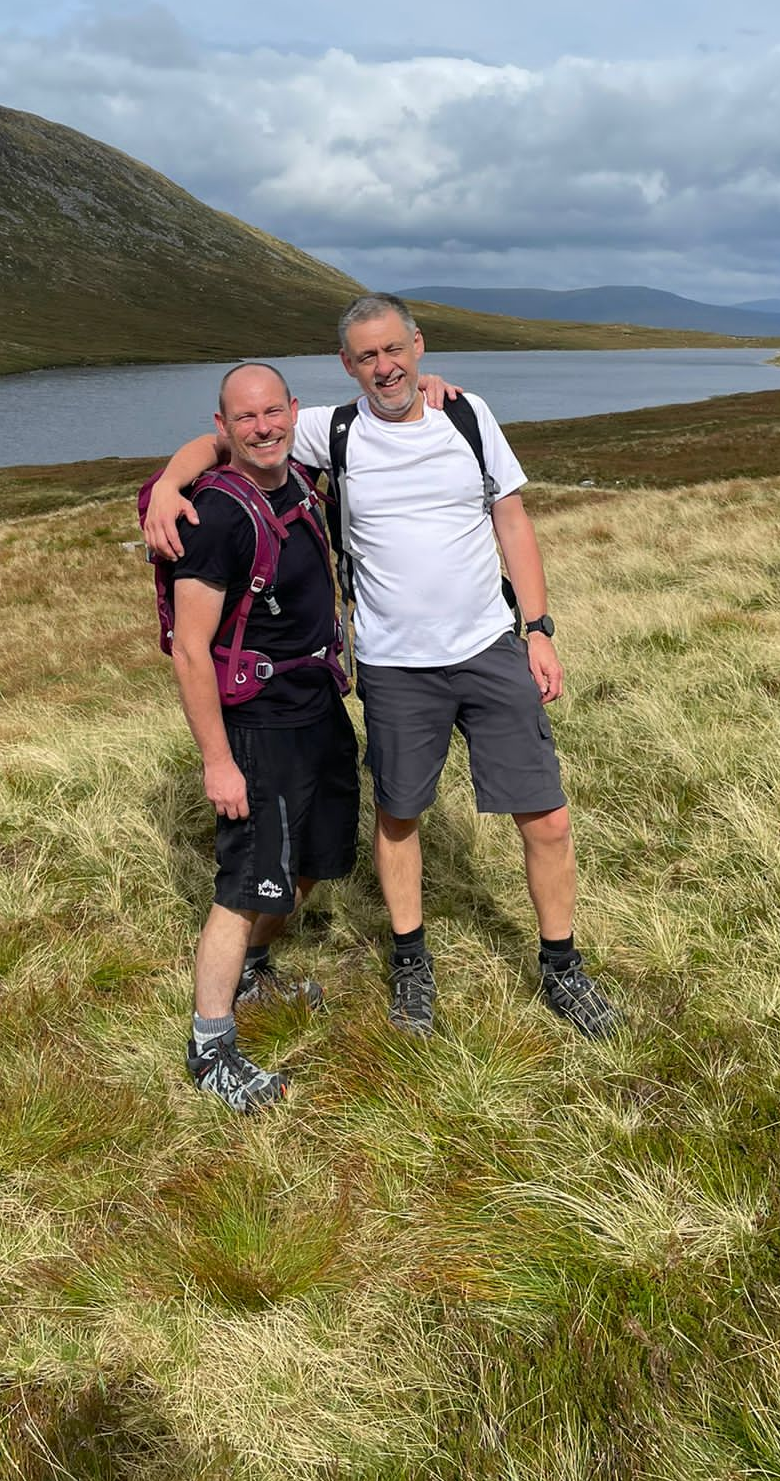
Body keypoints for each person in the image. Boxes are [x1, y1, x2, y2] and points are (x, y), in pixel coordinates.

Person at [146, 296, 620, 1041]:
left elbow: (513, 519)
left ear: (418, 347)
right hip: (395, 664)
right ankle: (410, 963)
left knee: (548, 818)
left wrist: (538, 628)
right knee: (400, 815)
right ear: (347, 366)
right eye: (367, 357)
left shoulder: (467, 416)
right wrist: (172, 486)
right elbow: (226, 441)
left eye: (395, 350)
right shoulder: (329, 428)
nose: (385, 367)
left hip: (490, 646)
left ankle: (562, 967)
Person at [168, 361, 359, 1112]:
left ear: (293, 410)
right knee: (245, 883)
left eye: (273, 411)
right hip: (257, 727)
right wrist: (218, 762)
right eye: (244, 418)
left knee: (317, 856)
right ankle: (210, 1046)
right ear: (223, 428)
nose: (263, 427)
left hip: (319, 709)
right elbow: (191, 650)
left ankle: (253, 971)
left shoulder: (304, 479)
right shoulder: (215, 518)